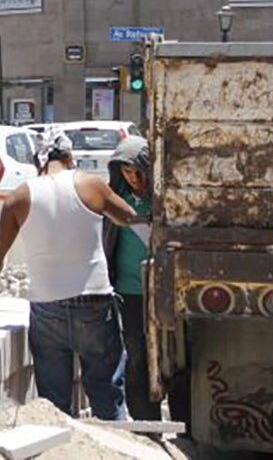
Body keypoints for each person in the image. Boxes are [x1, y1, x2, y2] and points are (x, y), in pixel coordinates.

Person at [0, 127, 135, 421]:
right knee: (105, 390)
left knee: (53, 402)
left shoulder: (18, 197)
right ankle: (115, 439)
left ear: (38, 162)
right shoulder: (90, 184)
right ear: (70, 158)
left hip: (47, 304)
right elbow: (127, 217)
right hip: (94, 300)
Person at [103, 136, 159, 421]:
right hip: (129, 292)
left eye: (138, 171)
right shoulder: (116, 202)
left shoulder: (161, 202)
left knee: (169, 357)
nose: (134, 178)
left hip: (161, 291)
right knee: (136, 356)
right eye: (127, 172)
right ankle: (145, 421)